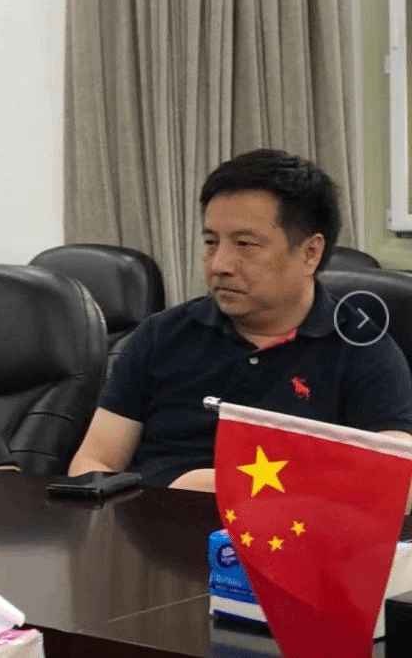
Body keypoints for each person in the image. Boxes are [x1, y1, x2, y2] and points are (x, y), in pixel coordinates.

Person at [68, 149, 412, 491]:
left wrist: (224, 486)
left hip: (289, 524)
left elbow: (399, 483)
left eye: (245, 244)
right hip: (151, 519)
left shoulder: (363, 350)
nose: (220, 264)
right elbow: (94, 462)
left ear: (310, 253)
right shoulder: (161, 335)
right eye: (210, 242)